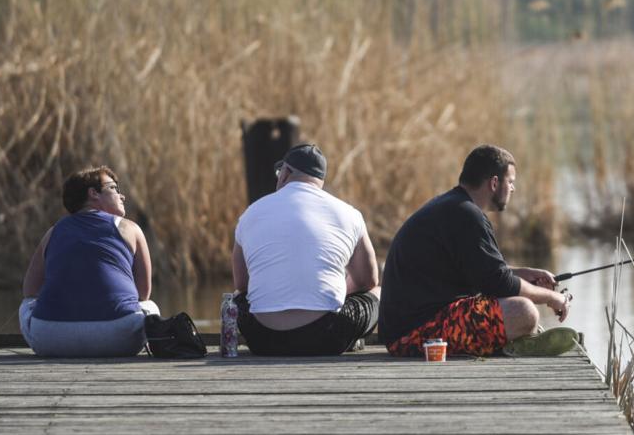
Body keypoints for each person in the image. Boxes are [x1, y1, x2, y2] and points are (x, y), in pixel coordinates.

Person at [380, 144, 574, 358]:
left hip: (412, 328)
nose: (512, 189)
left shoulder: (454, 207)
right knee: (523, 312)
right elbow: (499, 283)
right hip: (415, 336)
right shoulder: (467, 215)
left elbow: (486, 272)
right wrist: (551, 298)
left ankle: (510, 342)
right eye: (510, 182)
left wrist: (524, 273)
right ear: (494, 183)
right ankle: (512, 343)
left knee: (517, 309)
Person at [231, 144, 380, 356]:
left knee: (237, 296)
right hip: (327, 337)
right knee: (377, 292)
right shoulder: (349, 214)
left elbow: (242, 285)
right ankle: (351, 339)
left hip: (262, 339)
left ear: (285, 173)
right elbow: (368, 281)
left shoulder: (250, 213)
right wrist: (337, 291)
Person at [20, 166, 159, 357]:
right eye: (114, 188)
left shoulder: (53, 232)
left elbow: (29, 290)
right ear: (93, 193)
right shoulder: (131, 229)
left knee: (27, 304)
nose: (122, 195)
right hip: (120, 338)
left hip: (51, 340)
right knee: (150, 306)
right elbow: (143, 293)